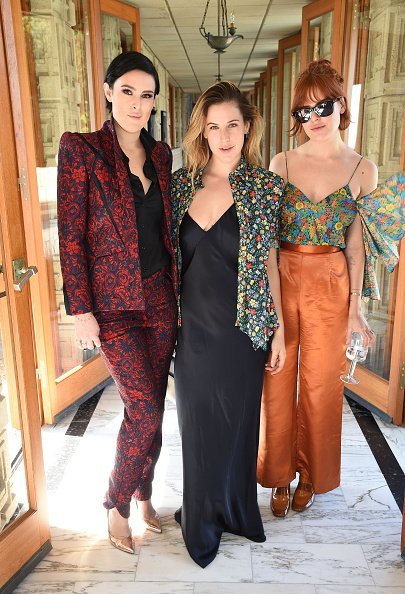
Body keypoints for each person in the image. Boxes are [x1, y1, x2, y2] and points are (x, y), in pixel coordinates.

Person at [257, 59, 404, 518]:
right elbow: (265, 242)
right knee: (277, 379)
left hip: (333, 283)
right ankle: (278, 477)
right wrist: (270, 307)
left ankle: (309, 477)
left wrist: (356, 308)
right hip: (284, 276)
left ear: (342, 106)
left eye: (323, 106)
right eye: (303, 112)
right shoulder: (281, 162)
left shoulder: (363, 169)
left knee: (322, 387)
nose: (314, 118)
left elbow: (356, 246)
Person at [57, 51, 177, 554]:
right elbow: (71, 236)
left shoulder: (163, 156)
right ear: (109, 92)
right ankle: (115, 503)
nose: (136, 103)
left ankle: (146, 494)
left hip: (161, 302)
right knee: (143, 410)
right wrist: (80, 308)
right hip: (112, 309)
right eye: (127, 91)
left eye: (146, 95)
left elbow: (166, 232)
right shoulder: (81, 150)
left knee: (154, 411)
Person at [171, 81, 286, 567]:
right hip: (191, 329)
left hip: (245, 330)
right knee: (196, 424)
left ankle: (235, 508)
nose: (223, 135)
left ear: (248, 128)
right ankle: (200, 516)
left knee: (239, 424)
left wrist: (278, 328)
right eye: (214, 126)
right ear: (203, 131)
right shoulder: (181, 185)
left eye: (232, 125)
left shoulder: (266, 188)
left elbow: (270, 261)